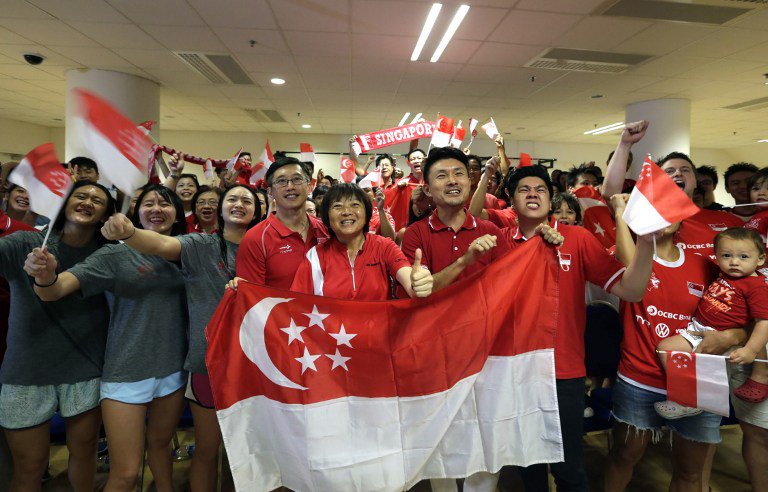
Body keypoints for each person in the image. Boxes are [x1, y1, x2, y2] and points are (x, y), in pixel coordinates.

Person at [498, 165, 654, 492]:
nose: (532, 194)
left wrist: (648, 244)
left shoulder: (577, 238)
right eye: (523, 189)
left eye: (540, 189)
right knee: (529, 464)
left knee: (569, 466)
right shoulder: (498, 242)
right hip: (515, 370)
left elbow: (631, 290)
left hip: (563, 371)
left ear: (549, 198)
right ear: (511, 200)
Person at [26, 184, 189, 492]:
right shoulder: (115, 253)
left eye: (165, 204)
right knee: (125, 474)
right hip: (126, 374)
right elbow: (56, 290)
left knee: (162, 448)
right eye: (148, 203)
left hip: (173, 370)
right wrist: (44, 276)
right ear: (135, 212)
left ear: (177, 215)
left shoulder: (186, 251)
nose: (157, 209)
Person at [99, 184, 261, 492]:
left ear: (258, 210)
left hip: (259, 367)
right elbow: (160, 244)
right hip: (208, 365)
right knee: (207, 450)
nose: (239, 204)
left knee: (252, 455)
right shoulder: (200, 244)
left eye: (247, 200)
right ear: (220, 207)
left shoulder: (266, 248)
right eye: (232, 199)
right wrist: (129, 232)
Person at [604, 194, 743, 492]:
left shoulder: (705, 266)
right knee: (623, 456)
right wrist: (619, 213)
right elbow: (627, 262)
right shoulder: (629, 254)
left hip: (697, 382)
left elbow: (739, 317)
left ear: (682, 218)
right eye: (653, 210)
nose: (661, 216)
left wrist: (734, 336)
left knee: (690, 471)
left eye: (669, 210)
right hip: (639, 379)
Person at [2, 182, 115, 492]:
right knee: (30, 467)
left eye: (98, 200)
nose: (88, 201)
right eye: (81, 195)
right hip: (26, 372)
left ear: (106, 214)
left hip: (85, 368)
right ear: (64, 202)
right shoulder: (25, 242)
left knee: (85, 454)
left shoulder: (108, 254)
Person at [653, 228, 768, 415]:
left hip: (720, 336)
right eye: (726, 255)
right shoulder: (726, 274)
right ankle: (689, 398)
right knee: (665, 348)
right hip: (698, 328)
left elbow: (764, 322)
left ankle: (689, 401)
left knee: (695, 363)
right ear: (716, 256)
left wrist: (750, 350)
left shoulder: (756, 287)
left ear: (760, 259)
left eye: (744, 257)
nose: (734, 262)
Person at [603, 121, 742, 260]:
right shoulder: (645, 218)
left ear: (695, 182)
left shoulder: (728, 221)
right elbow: (611, 194)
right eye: (669, 171)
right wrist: (625, 144)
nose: (678, 173)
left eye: (685, 170)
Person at [291, 183, 432, 300]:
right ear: (326, 216)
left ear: (367, 213)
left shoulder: (384, 246)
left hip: (379, 332)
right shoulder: (314, 256)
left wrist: (417, 284)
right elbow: (297, 303)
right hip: (330, 333)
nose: (346, 211)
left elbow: (407, 277)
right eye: (337, 206)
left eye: (355, 205)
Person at [236, 157, 328, 289]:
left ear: (309, 187)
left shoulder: (326, 230)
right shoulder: (255, 238)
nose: (290, 186)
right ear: (270, 192)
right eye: (281, 181)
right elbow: (253, 299)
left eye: (297, 179)